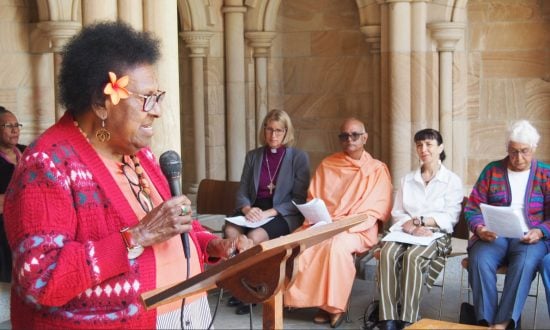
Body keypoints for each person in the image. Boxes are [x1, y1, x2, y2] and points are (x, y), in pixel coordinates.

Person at [3, 21, 252, 329]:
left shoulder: (138, 155)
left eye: (158, 97)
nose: (157, 111)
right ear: (100, 103)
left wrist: (211, 245)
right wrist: (137, 237)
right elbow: (41, 278)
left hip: (185, 311)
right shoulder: (47, 164)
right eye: (147, 98)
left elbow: (172, 231)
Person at [284, 117, 392, 328]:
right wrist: (321, 218)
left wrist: (343, 225)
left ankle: (333, 306)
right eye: (344, 136)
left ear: (365, 138)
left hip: (356, 228)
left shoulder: (377, 169)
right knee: (295, 243)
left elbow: (376, 209)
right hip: (324, 223)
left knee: (334, 247)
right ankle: (303, 300)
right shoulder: (328, 164)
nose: (349, 139)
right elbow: (313, 198)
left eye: (355, 135)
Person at [464, 120, 550, 329]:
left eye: (524, 151)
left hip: (530, 237)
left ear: (534, 149)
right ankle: (485, 321)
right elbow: (472, 207)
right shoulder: (492, 170)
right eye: (513, 152)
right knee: (479, 260)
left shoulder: (545, 174)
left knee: (524, 263)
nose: (518, 158)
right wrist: (480, 228)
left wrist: (540, 231)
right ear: (507, 149)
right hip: (494, 234)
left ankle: (503, 323)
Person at [224, 109, 310, 314]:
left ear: (286, 132)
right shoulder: (253, 156)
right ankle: (242, 286)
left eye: (279, 131)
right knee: (231, 232)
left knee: (254, 236)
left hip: (281, 213)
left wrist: (267, 214)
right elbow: (242, 191)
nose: (273, 135)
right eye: (269, 129)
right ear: (264, 130)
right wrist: (247, 209)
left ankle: (251, 291)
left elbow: (298, 199)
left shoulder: (299, 157)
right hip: (253, 210)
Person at [375, 129, 463, 330]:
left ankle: (408, 319)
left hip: (438, 235)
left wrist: (423, 221)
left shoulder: (452, 180)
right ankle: (387, 318)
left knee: (413, 257)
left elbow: (451, 217)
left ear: (440, 147)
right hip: (407, 232)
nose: (424, 149)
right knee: (387, 252)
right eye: (419, 145)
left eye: (429, 144)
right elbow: (398, 212)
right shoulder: (408, 179)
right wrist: (414, 228)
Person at [0, 106, 26, 283]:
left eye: (17, 125)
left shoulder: (28, 152)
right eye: (8, 125)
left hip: (28, 227)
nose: (15, 129)